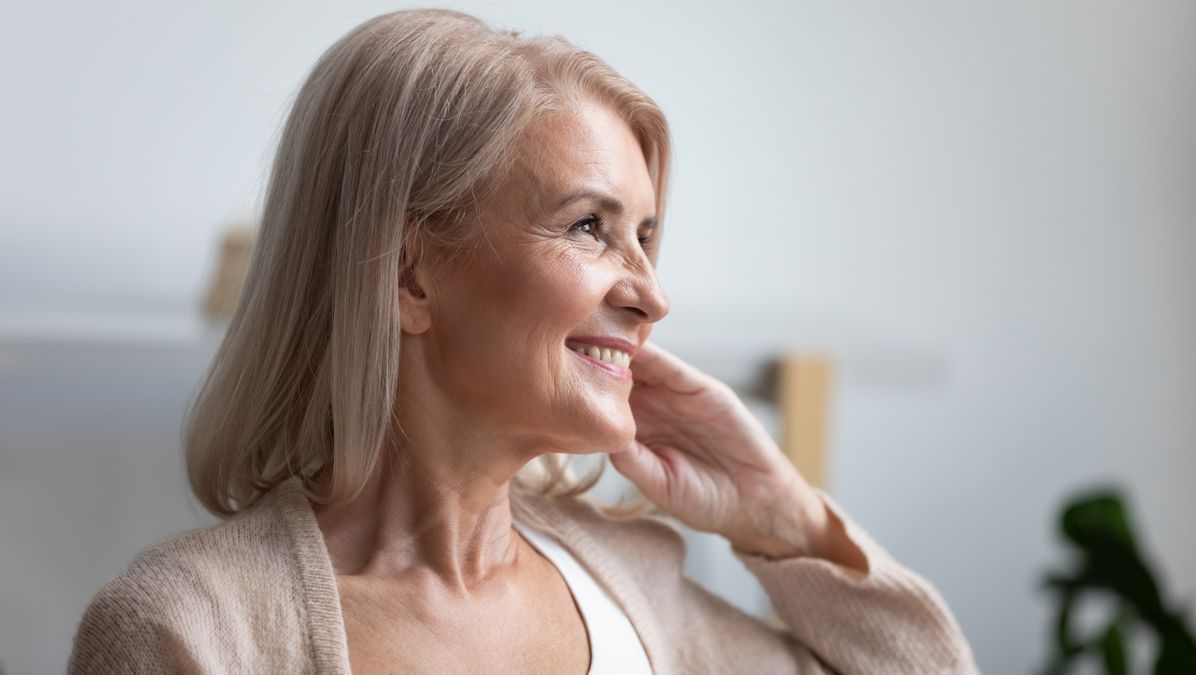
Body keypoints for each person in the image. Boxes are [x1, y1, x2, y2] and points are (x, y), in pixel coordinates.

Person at [68, 8, 979, 674]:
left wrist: (783, 518)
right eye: (590, 227)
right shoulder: (187, 632)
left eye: (647, 236)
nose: (651, 294)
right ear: (408, 273)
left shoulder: (633, 583)